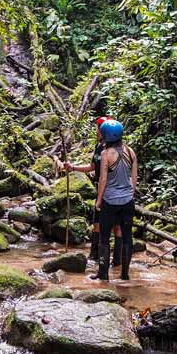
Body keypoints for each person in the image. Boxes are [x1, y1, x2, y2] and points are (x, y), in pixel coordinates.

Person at [59, 116, 122, 268]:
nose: (96, 132)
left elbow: (107, 177)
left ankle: (115, 262)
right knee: (97, 224)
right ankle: (96, 257)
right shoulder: (100, 148)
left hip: (110, 191)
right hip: (107, 191)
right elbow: (92, 167)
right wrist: (73, 168)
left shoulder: (116, 150)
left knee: (115, 227)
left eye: (98, 129)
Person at [93, 119, 136, 282]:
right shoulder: (130, 151)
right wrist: (131, 195)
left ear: (105, 136)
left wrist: (98, 201)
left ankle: (103, 274)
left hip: (110, 201)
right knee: (127, 237)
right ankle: (125, 274)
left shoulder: (105, 154)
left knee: (104, 237)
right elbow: (134, 178)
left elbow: (103, 180)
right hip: (127, 201)